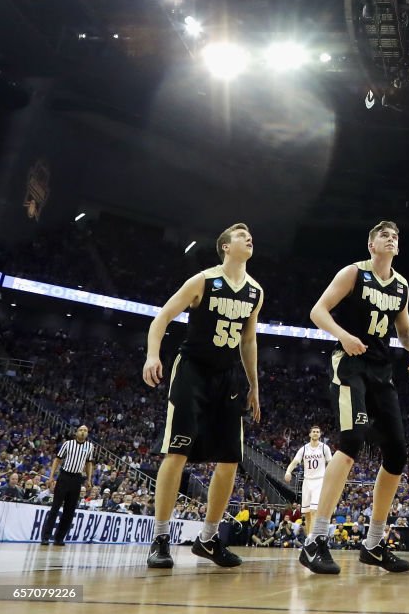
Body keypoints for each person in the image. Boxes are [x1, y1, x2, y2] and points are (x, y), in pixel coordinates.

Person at [301, 220, 409, 575]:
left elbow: (403, 329)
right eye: (384, 235)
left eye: (395, 236)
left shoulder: (401, 285)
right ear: (371, 245)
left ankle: (372, 544)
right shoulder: (354, 273)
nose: (391, 239)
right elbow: (318, 311)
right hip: (351, 365)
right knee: (352, 440)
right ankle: (315, 540)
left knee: (397, 454)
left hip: (381, 370)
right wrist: (342, 336)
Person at [143, 223, 264, 569]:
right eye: (241, 235)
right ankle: (161, 537)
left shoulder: (255, 291)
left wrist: (254, 385)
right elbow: (163, 317)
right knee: (177, 451)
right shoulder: (203, 281)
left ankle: (209, 539)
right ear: (225, 247)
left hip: (228, 377)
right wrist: (153, 355)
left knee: (229, 460)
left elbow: (249, 340)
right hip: (193, 369)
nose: (248, 237)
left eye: (249, 234)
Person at [40, 425, 94, 546]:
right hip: (64, 476)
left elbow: (89, 463)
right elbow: (57, 460)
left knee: (69, 510)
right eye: (81, 430)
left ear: (87, 434)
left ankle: (59, 538)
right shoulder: (68, 444)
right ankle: (46, 537)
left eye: (85, 430)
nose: (83, 432)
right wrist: (51, 476)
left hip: (77, 479)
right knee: (55, 507)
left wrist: (89, 479)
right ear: (76, 432)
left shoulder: (89, 446)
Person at [284, 425, 333, 538]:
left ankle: (312, 538)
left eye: (317, 432)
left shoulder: (324, 448)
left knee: (314, 511)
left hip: (319, 481)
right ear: (310, 434)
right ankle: (309, 538)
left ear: (320, 434)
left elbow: (330, 463)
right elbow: (295, 461)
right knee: (306, 514)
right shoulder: (304, 448)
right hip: (307, 482)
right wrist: (288, 472)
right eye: (314, 431)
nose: (315, 433)